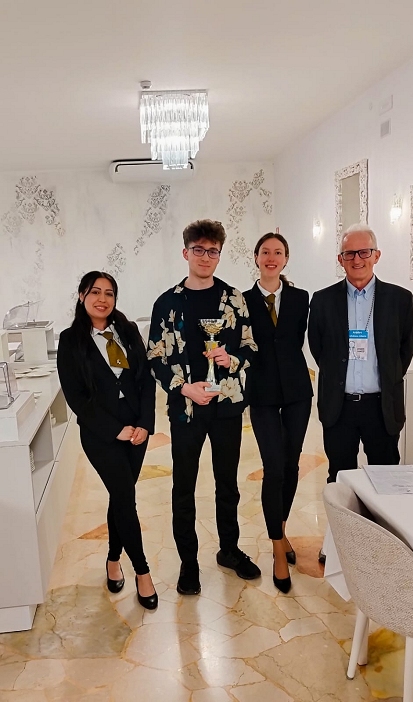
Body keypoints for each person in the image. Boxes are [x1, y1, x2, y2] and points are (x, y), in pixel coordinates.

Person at [148, 219, 261, 596]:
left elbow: (250, 346)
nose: (206, 257)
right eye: (199, 250)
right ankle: (189, 563)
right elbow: (156, 357)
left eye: (213, 251)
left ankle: (229, 550)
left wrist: (233, 359)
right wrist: (184, 388)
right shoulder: (167, 303)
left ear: (219, 255)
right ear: (186, 252)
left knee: (227, 484)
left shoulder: (234, 299)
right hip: (187, 409)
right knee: (184, 487)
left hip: (226, 406)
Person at [57, 272, 158, 610]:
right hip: (101, 434)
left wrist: (145, 424)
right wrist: (114, 429)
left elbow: (145, 380)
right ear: (82, 295)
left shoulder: (127, 330)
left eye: (109, 293)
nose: (102, 299)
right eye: (95, 292)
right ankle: (142, 572)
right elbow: (76, 396)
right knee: (126, 498)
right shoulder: (71, 340)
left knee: (121, 496)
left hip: (137, 431)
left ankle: (113, 558)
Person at [309, 222, 413, 480]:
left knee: (386, 479)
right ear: (340, 260)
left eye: (364, 252)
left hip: (381, 408)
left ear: (376, 256)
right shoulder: (322, 300)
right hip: (339, 407)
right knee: (340, 478)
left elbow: (405, 349)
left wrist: (389, 376)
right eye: (349, 254)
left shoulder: (400, 299)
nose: (357, 260)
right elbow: (318, 348)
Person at [244, 233, 312, 593]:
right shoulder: (241, 301)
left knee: (291, 465)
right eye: (265, 252)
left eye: (278, 252)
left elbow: (303, 340)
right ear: (256, 257)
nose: (271, 257)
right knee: (273, 468)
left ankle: (281, 530)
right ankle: (276, 548)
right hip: (262, 394)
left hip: (298, 391)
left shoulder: (301, 299)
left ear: (286, 259)